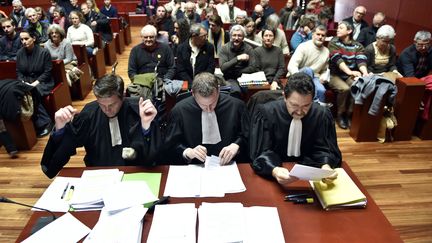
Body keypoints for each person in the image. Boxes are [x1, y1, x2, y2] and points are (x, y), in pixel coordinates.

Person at [40, 74, 160, 178]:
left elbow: (152, 156)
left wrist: (146, 126)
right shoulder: (89, 114)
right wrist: (60, 128)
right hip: (99, 175)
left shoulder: (138, 110)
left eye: (112, 104)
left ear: (122, 96)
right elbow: (63, 151)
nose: (107, 110)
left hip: (135, 173)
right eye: (101, 104)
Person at [249, 72, 341, 186]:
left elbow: (324, 149)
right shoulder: (266, 113)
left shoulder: (321, 114)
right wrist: (274, 170)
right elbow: (261, 151)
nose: (299, 111)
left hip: (310, 174)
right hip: (274, 173)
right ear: (284, 97)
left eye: (306, 106)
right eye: (294, 105)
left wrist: (325, 165)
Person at [164, 72, 250, 165]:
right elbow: (170, 145)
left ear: (218, 90)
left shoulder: (237, 106)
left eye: (213, 103)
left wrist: (237, 145)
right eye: (203, 105)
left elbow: (248, 136)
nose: (209, 110)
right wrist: (187, 152)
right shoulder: (179, 111)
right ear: (193, 93)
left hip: (228, 164)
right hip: (193, 166)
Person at [328, 21, 368, 129]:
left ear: (349, 31)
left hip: (349, 75)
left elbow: (361, 61)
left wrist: (365, 73)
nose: (338, 29)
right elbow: (337, 59)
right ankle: (340, 115)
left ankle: (349, 115)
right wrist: (350, 72)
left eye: (341, 28)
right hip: (334, 75)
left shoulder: (358, 45)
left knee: (357, 85)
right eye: (338, 28)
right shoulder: (334, 42)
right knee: (345, 89)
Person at [16, 30, 54, 137]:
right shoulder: (20, 53)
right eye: (22, 39)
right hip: (27, 81)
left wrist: (35, 83)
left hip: (43, 82)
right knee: (16, 91)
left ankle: (46, 122)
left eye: (26, 38)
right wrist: (22, 81)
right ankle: (27, 123)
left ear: (33, 38)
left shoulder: (43, 52)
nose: (24, 41)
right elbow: (19, 72)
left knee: (33, 91)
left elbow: (47, 72)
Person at [288, 25, 329, 104]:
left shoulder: (326, 51)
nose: (320, 37)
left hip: (314, 77)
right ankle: (314, 102)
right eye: (318, 34)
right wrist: (298, 78)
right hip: (298, 75)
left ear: (325, 37)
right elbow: (291, 65)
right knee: (308, 70)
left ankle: (319, 111)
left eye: (323, 35)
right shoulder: (303, 46)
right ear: (313, 34)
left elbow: (325, 70)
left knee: (321, 90)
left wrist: (323, 76)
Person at [219, 24, 255, 94]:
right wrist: (238, 58)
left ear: (243, 37)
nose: (236, 38)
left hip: (244, 77)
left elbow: (253, 67)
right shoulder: (225, 48)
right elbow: (223, 67)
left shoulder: (248, 48)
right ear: (231, 36)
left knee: (248, 90)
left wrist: (238, 72)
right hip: (229, 78)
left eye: (239, 35)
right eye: (234, 35)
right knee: (236, 91)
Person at [251, 26, 285, 90]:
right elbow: (256, 69)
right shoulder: (257, 51)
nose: (268, 38)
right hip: (261, 81)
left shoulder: (278, 50)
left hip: (276, 80)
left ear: (274, 38)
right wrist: (265, 82)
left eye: (270, 36)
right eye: (266, 35)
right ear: (262, 38)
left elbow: (282, 68)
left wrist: (275, 81)